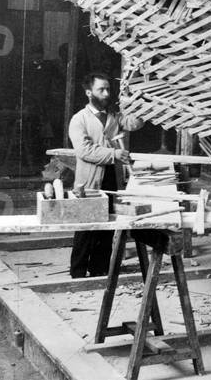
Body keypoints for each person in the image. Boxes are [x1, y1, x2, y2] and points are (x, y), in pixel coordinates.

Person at [68, 72, 145, 278]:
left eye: (108, 89)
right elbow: (84, 151)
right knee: (86, 228)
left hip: (110, 178)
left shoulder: (114, 116)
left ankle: (100, 271)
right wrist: (114, 154)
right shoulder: (79, 119)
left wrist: (141, 104)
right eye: (101, 89)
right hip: (89, 182)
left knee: (107, 227)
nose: (106, 93)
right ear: (89, 93)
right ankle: (77, 273)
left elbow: (134, 123)